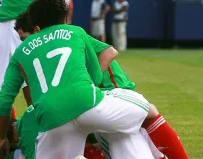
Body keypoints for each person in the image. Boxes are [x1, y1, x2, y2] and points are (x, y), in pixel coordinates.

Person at [0, 0, 157, 159]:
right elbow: (96, 75)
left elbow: (4, 102)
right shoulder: (76, 32)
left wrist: (1, 138)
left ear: (36, 26)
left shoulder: (20, 52)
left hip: (51, 120)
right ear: (64, 18)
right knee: (148, 110)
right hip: (88, 105)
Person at [14, 10, 189, 159]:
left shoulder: (63, 38)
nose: (23, 43)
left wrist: (86, 86)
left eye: (24, 37)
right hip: (94, 101)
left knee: (139, 123)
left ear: (37, 30)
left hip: (110, 91)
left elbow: (109, 52)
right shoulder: (50, 45)